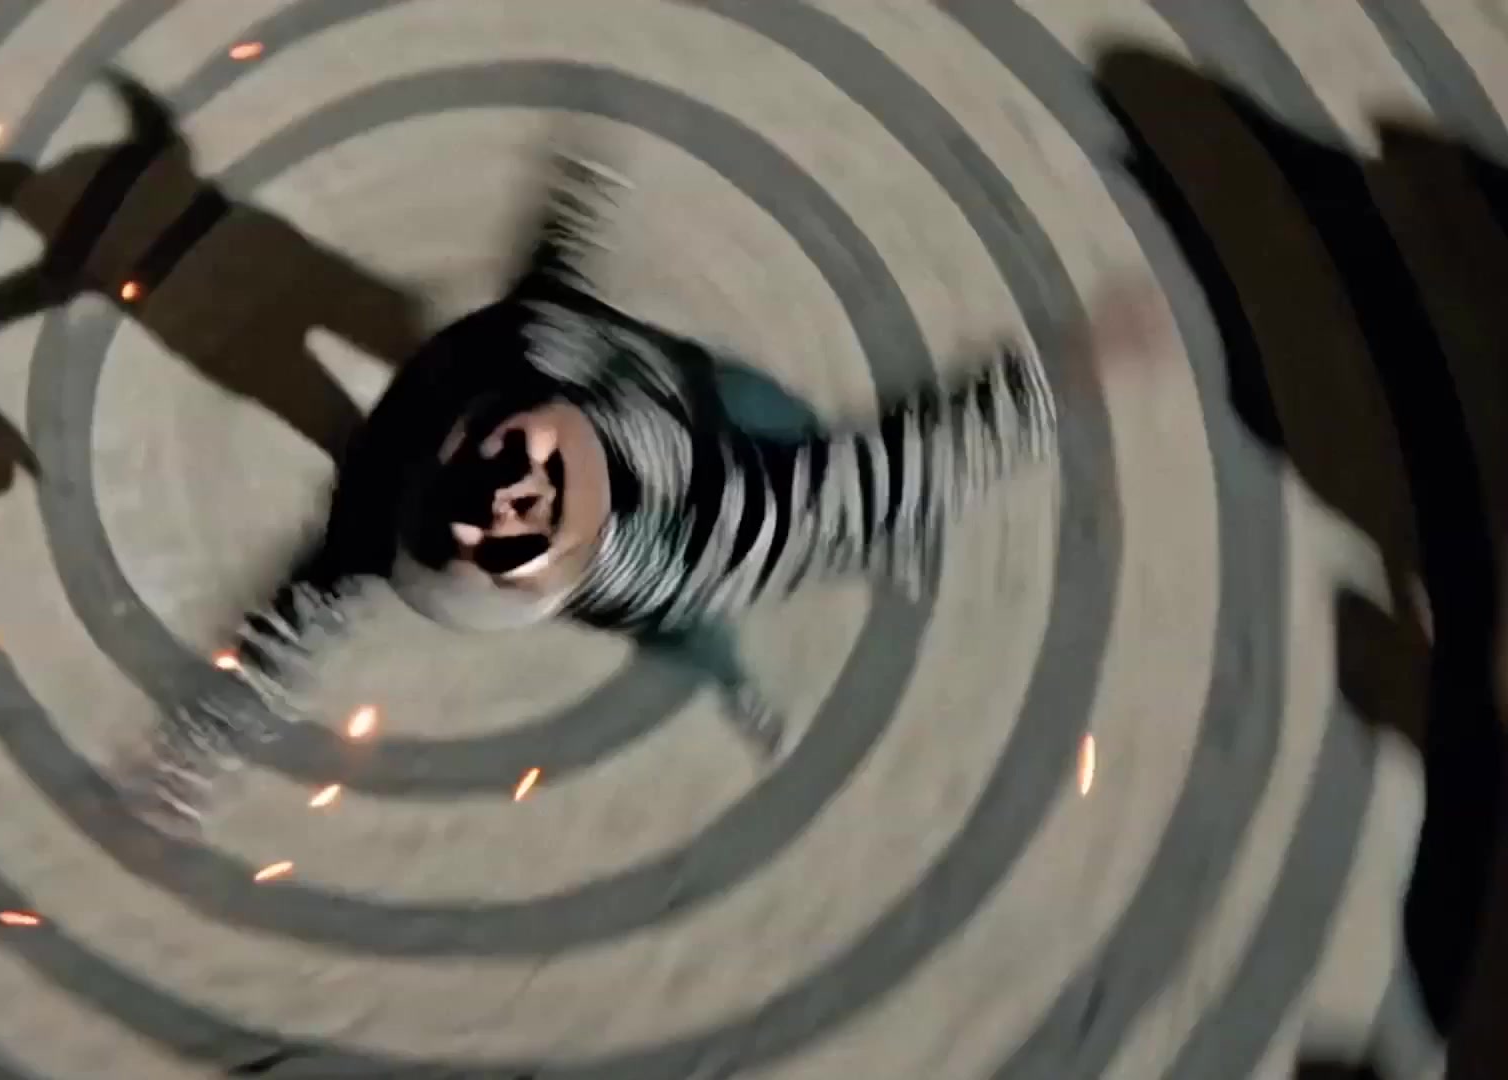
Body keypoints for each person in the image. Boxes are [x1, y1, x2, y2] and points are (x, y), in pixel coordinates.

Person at [122, 149, 1137, 835]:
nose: (491, 507)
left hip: (692, 414)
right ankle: (749, 659)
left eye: (476, 494)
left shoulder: (436, 451)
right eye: (503, 537)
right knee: (741, 575)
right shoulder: (697, 530)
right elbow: (899, 470)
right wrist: (1055, 382)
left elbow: (893, 471)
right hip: (695, 467)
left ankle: (773, 632)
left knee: (785, 485)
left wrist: (196, 749)